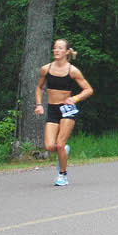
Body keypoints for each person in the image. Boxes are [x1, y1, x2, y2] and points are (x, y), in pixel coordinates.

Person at [35, 39, 93, 186]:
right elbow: (39, 88)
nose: (56, 50)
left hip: (67, 110)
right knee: (49, 146)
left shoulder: (72, 70)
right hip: (52, 109)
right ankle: (63, 152)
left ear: (67, 52)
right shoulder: (46, 69)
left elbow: (88, 90)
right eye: (55, 48)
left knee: (59, 144)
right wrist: (39, 104)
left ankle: (63, 175)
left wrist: (75, 98)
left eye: (60, 48)